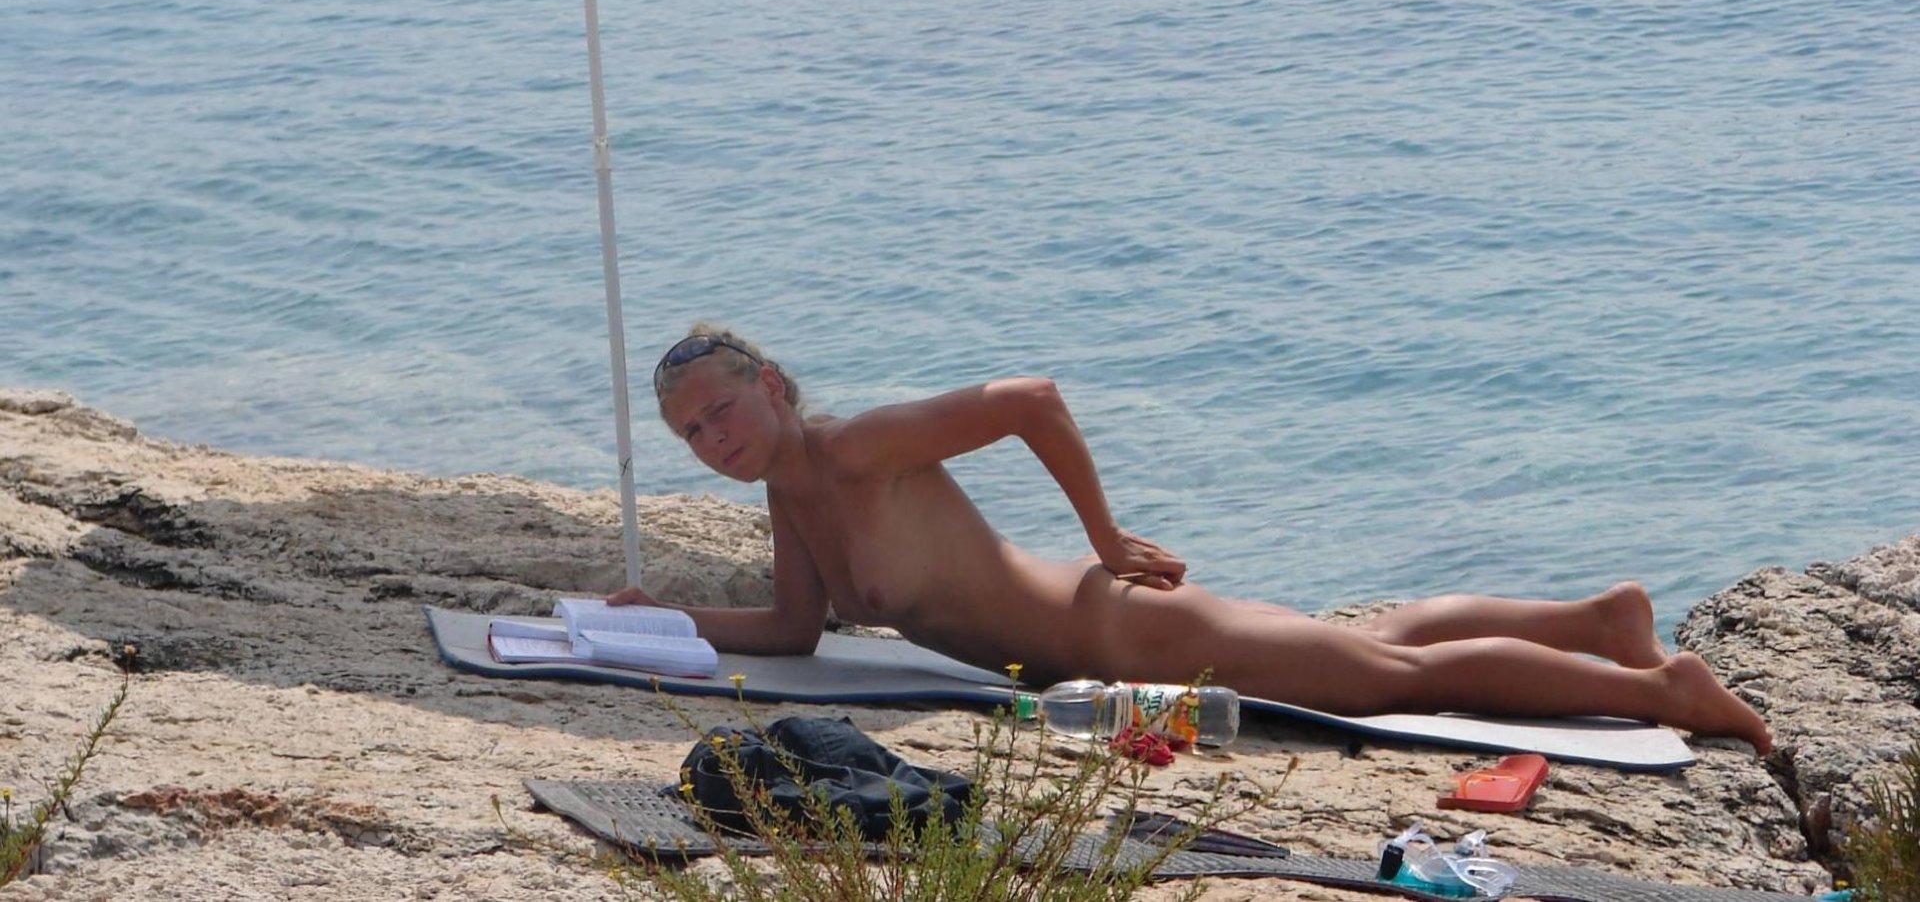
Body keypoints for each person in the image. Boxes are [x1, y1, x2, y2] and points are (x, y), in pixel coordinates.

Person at [609, 324, 1771, 754]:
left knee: (1388, 680)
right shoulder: (791, 493)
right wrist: (656, 618)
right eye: (690, 431)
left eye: (722, 408)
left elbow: (1028, 398)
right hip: (1094, 647)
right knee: (1359, 640)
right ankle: (1597, 619)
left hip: (1122, 631)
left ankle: (1661, 689)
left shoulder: (857, 447)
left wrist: (1107, 536)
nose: (713, 437)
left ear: (769, 384)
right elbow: (794, 630)